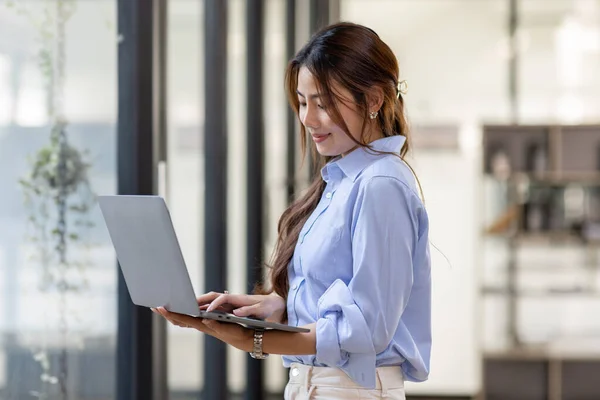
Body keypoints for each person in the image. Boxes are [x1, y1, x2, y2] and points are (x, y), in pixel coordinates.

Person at [154, 21, 431, 400]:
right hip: (317, 386)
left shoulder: (380, 184)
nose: (307, 118)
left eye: (323, 103)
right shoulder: (346, 180)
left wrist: (252, 339)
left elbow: (367, 328)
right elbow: (345, 294)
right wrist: (278, 308)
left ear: (374, 100)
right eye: (303, 102)